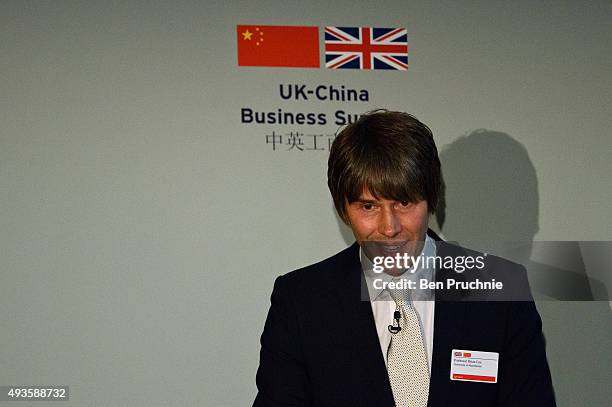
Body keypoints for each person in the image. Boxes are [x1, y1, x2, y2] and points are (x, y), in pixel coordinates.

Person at [253, 110, 556, 407]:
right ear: (344, 209)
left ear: (431, 198)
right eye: (368, 207)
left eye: (404, 201)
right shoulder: (301, 300)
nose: (390, 227)